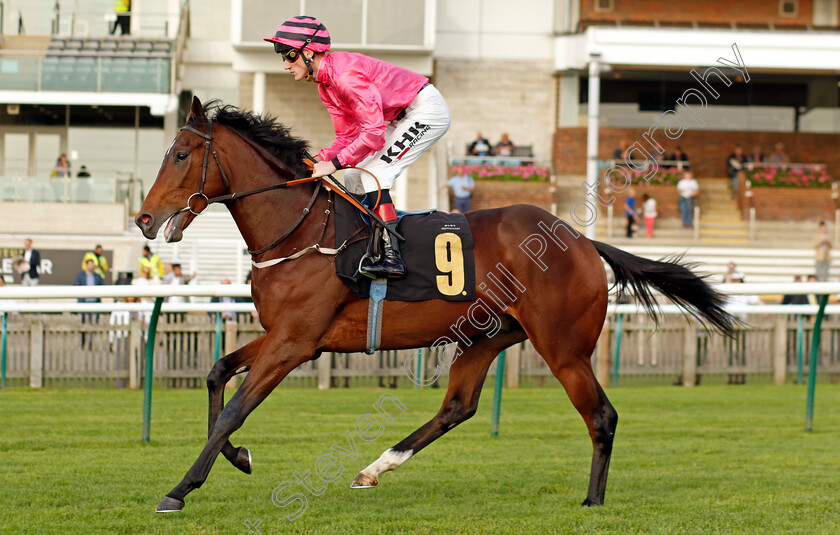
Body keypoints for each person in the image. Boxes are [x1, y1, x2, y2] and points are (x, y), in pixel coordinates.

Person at [265, 16, 451, 279]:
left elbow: (373, 132)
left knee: (373, 174)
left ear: (307, 52)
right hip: (401, 116)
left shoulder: (345, 75)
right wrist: (316, 159)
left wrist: (333, 164)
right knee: (353, 175)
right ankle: (367, 245)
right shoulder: (325, 85)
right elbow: (348, 136)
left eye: (288, 55)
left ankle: (392, 255)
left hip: (426, 111)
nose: (285, 64)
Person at [75, 259, 104, 349]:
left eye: (92, 264)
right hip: (84, 303)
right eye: (90, 264)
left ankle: (90, 344)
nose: (91, 266)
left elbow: (102, 288)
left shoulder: (98, 277)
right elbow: (76, 287)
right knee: (83, 324)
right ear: (86, 265)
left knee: (92, 324)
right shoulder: (80, 276)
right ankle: (83, 343)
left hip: (94, 304)